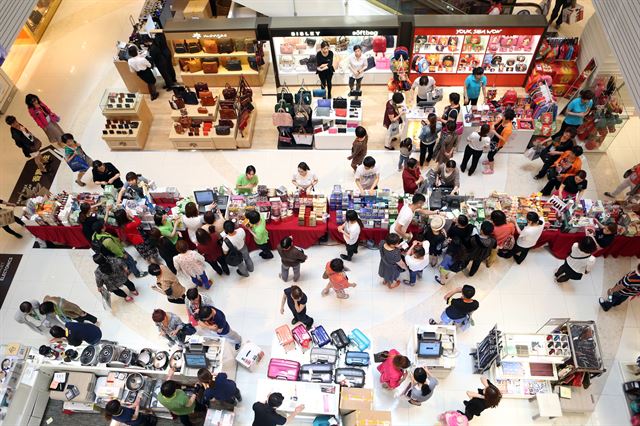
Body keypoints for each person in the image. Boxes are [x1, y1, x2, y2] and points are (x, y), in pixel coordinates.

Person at [437, 215, 474, 285]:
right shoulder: (469, 228)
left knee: (444, 269)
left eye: (457, 219)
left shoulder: (454, 230)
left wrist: (453, 224)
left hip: (450, 263)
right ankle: (447, 275)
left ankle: (442, 281)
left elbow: (449, 234)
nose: (456, 219)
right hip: (456, 264)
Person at [483, 109, 515, 174]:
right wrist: (492, 126)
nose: (502, 116)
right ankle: (489, 161)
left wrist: (495, 132)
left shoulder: (508, 129)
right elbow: (495, 123)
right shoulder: (502, 120)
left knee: (490, 155)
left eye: (504, 116)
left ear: (508, 119)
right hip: (494, 139)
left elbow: (504, 139)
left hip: (498, 144)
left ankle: (491, 170)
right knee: (490, 151)